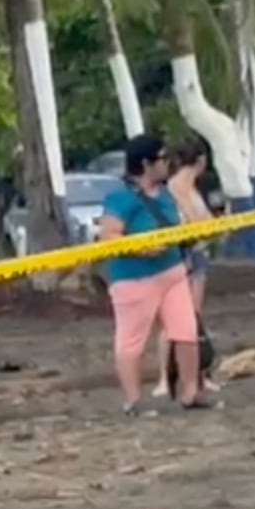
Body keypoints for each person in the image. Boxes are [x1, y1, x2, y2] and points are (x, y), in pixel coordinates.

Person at [96, 133, 208, 414]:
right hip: (134, 279)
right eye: (162, 158)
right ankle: (133, 401)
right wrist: (141, 248)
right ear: (146, 164)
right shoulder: (119, 198)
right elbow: (107, 237)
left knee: (186, 332)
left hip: (172, 271)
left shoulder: (168, 194)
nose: (167, 164)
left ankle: (190, 392)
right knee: (132, 341)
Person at [155, 139, 219, 400]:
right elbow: (197, 223)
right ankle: (166, 377)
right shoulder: (178, 187)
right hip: (185, 255)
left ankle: (197, 376)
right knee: (177, 319)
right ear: (201, 160)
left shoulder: (193, 187)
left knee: (194, 319)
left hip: (198, 254)